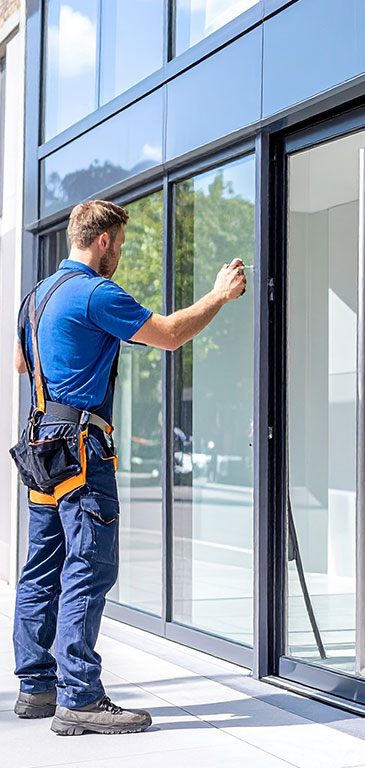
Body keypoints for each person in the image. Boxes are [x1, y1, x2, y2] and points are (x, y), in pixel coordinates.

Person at [12, 200, 246, 735]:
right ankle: (80, 697)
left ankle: (36, 687)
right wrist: (218, 296)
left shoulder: (34, 299)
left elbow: (23, 361)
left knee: (42, 564)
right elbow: (168, 334)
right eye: (120, 243)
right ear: (104, 242)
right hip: (80, 448)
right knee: (89, 565)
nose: (120, 253)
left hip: (41, 445)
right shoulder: (96, 292)